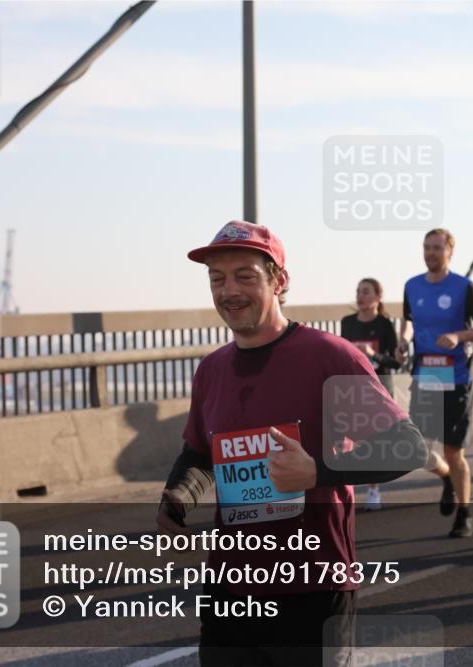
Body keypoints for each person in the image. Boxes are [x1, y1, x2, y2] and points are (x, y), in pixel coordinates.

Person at [156, 221, 428, 666]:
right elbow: (200, 453)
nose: (229, 291)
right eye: (217, 279)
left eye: (246, 276)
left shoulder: (329, 357)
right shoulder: (213, 370)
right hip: (231, 587)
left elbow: (407, 446)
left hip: (313, 589)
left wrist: (317, 472)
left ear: (279, 281)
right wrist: (178, 496)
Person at [396, 228, 473, 538]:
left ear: (450, 252)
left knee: (454, 453)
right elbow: (410, 320)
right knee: (418, 451)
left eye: (437, 248)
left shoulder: (464, 287)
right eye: (427, 247)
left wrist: (458, 336)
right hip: (425, 375)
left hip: (456, 378)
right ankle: (447, 479)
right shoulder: (412, 286)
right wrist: (403, 341)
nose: (431, 253)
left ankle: (465, 514)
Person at [340, 277, 401, 510]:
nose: (360, 296)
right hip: (351, 389)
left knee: (375, 441)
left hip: (379, 389)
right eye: (358, 291)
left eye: (366, 292)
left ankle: (374, 489)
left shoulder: (385, 325)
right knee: (351, 441)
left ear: (378, 296)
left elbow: (395, 363)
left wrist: (372, 355)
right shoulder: (347, 323)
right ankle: (348, 490)